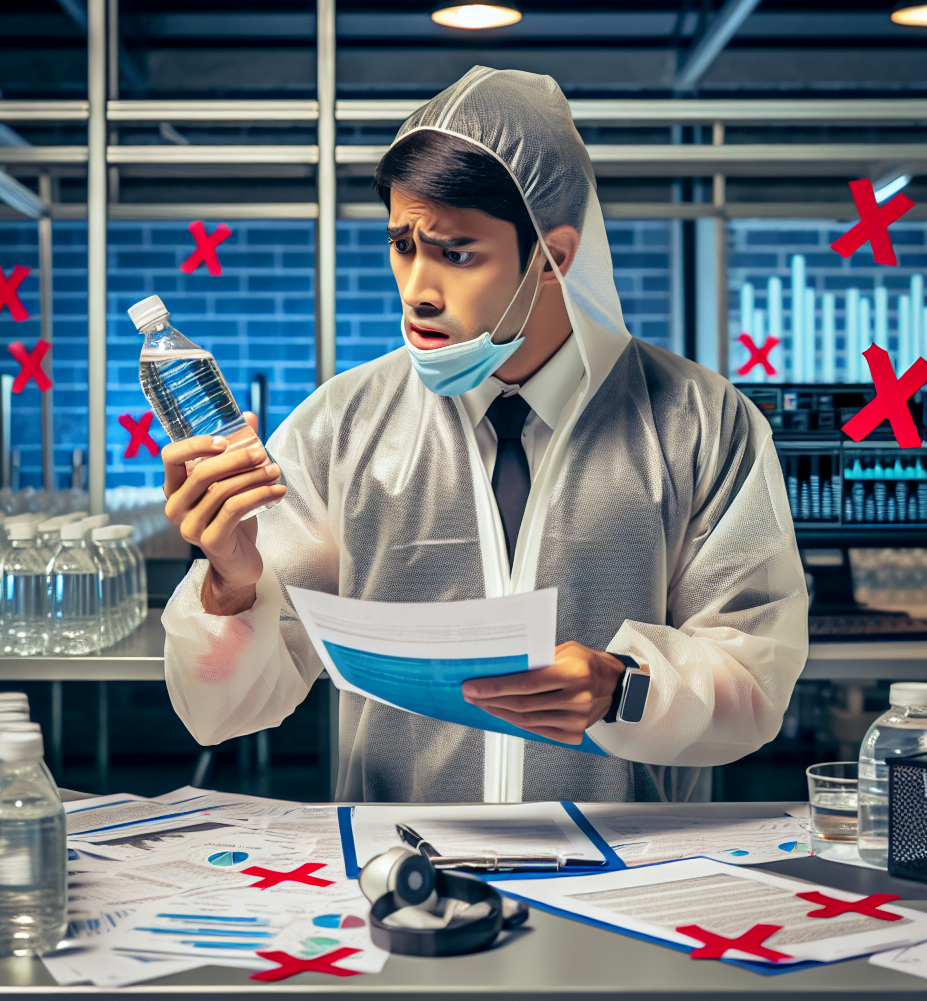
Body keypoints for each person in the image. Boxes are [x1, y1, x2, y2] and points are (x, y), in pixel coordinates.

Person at [161, 67, 808, 804]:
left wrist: (625, 691)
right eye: (403, 244)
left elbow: (757, 673)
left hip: (629, 873)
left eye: (456, 252)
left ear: (553, 256)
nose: (416, 289)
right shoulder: (342, 426)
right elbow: (224, 711)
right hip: (400, 872)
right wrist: (231, 581)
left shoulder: (697, 422)